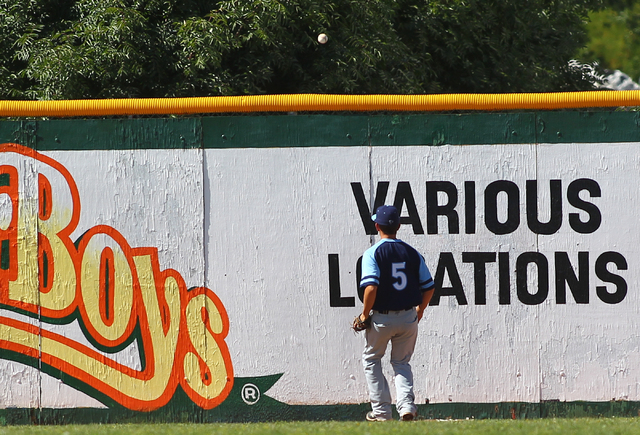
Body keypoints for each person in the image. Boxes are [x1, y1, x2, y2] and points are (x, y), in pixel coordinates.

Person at [358, 205, 436, 421]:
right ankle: (407, 407)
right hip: (408, 317)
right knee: (401, 363)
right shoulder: (411, 252)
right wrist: (420, 310)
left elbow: (371, 287)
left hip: (382, 317)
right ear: (399, 226)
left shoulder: (372, 253)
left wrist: (364, 314)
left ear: (377, 226)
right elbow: (429, 287)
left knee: (372, 359)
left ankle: (382, 412)